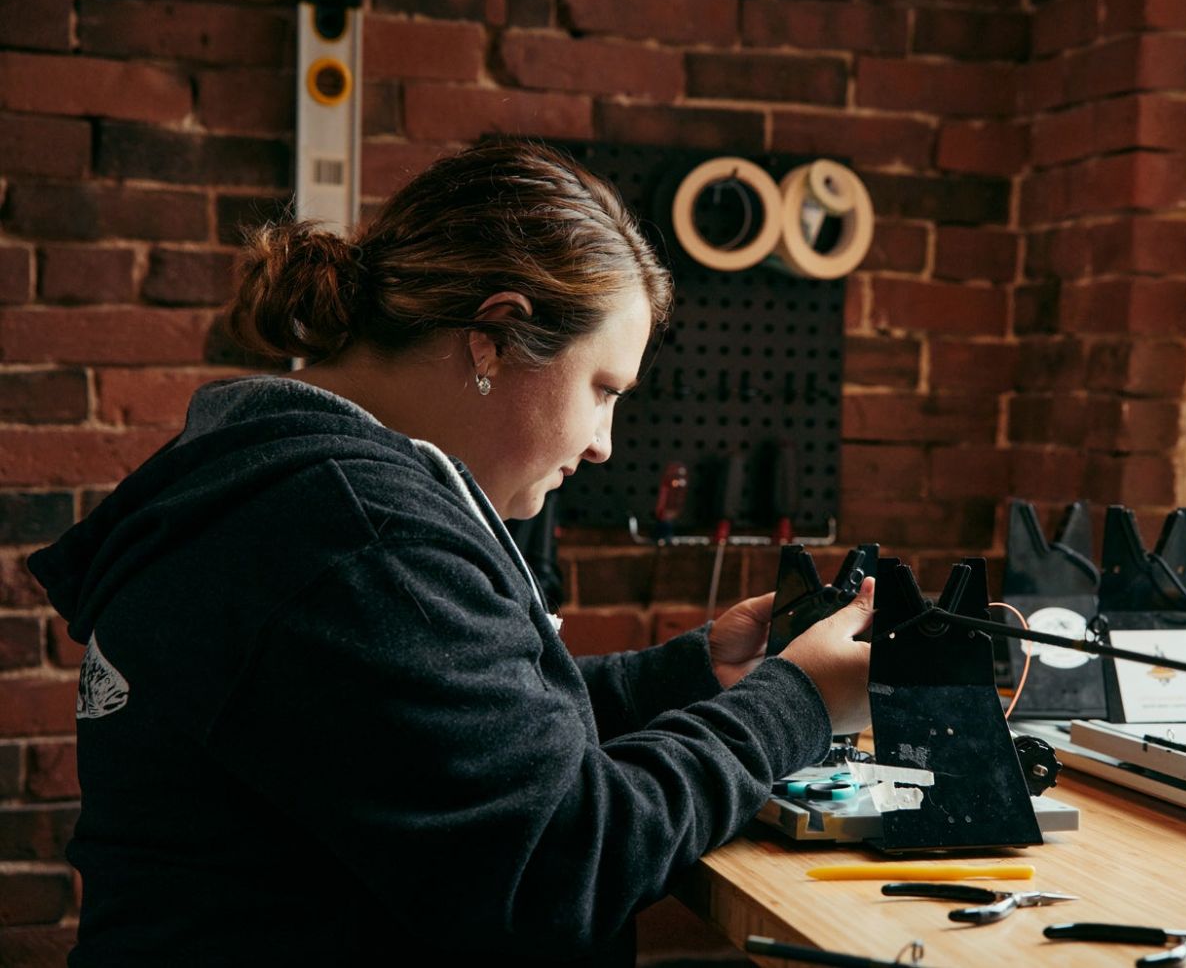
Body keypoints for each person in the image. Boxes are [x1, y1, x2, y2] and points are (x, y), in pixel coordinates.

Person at [28, 137, 874, 966]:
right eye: (602, 390)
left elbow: (442, 732)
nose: (603, 444)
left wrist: (691, 675)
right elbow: (560, 864)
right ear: (494, 335)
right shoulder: (363, 537)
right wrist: (795, 700)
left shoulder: (282, 481)